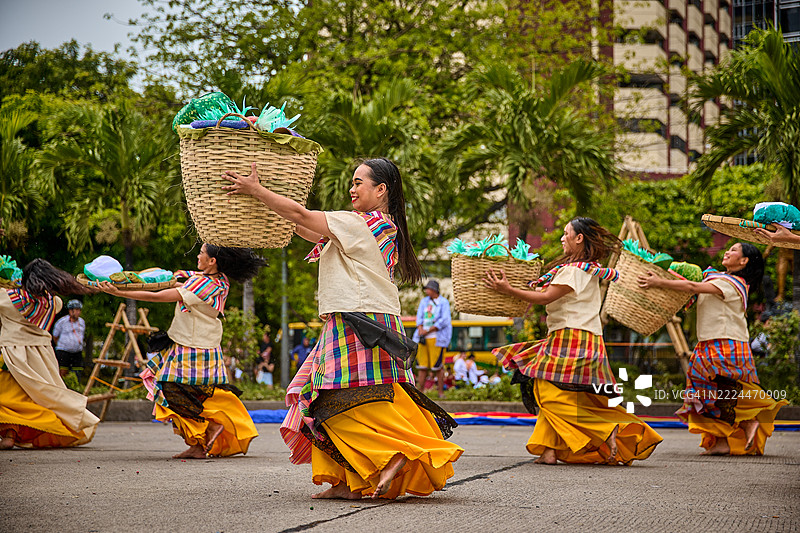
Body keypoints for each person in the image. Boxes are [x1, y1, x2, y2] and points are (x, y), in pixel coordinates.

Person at [223, 158, 463, 499]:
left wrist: (258, 189)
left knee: (336, 399)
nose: (351, 189)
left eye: (358, 183)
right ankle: (346, 483)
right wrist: (262, 200)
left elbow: (303, 216)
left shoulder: (367, 223)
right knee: (344, 398)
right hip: (358, 319)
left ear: (381, 190)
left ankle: (394, 452)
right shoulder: (368, 225)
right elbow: (303, 226)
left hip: (361, 322)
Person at [484, 217, 663, 465]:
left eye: (566, 233)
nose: (561, 238)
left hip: (572, 337)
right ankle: (549, 450)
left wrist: (508, 290)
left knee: (546, 391)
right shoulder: (587, 269)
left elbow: (546, 297)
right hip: (583, 338)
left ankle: (604, 427)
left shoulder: (574, 270)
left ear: (579, 238)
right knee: (563, 394)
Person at [98, 244, 265, 459]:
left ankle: (209, 427)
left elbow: (162, 295)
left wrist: (121, 292)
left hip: (194, 346)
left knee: (170, 389)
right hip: (195, 343)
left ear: (212, 261)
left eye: (202, 253)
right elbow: (170, 281)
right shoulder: (217, 279)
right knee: (191, 394)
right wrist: (125, 283)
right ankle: (197, 444)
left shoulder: (204, 283)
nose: (198, 255)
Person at [639, 242, 788, 455]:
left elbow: (692, 287)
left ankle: (747, 422)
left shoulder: (734, 282)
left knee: (724, 390)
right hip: (708, 342)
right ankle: (721, 441)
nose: (727, 252)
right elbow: (689, 284)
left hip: (727, 342)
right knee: (707, 392)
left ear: (744, 261)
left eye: (734, 250)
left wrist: (658, 282)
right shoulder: (718, 277)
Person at [0, 259, 99, 449]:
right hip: (43, 356)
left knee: (11, 396)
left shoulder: (6, 298)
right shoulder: (55, 303)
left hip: (12, 354)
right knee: (39, 396)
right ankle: (15, 434)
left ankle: (9, 433)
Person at [412, 279, 452, 399]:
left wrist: (429, 330)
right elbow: (419, 316)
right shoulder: (424, 302)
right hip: (422, 338)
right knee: (422, 366)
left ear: (434, 290)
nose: (427, 291)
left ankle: (440, 392)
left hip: (437, 338)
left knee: (438, 366)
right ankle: (420, 392)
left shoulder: (443, 302)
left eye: (428, 289)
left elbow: (445, 320)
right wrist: (420, 328)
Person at [52, 299, 87, 378]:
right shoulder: (62, 322)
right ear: (70, 311)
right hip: (64, 351)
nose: (78, 312)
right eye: (76, 310)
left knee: (77, 371)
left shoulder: (82, 322)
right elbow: (55, 336)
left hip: (77, 351)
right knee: (63, 371)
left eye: (79, 310)